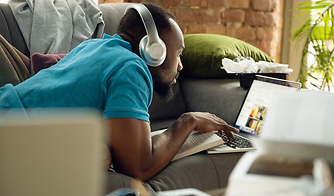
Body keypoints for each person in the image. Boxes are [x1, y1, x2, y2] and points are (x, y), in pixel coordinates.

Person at [0, 3, 239, 181]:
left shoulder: (93, 46)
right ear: (153, 50)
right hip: (13, 140)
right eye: (178, 53)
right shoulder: (131, 67)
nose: (180, 66)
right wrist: (188, 121)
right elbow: (138, 167)